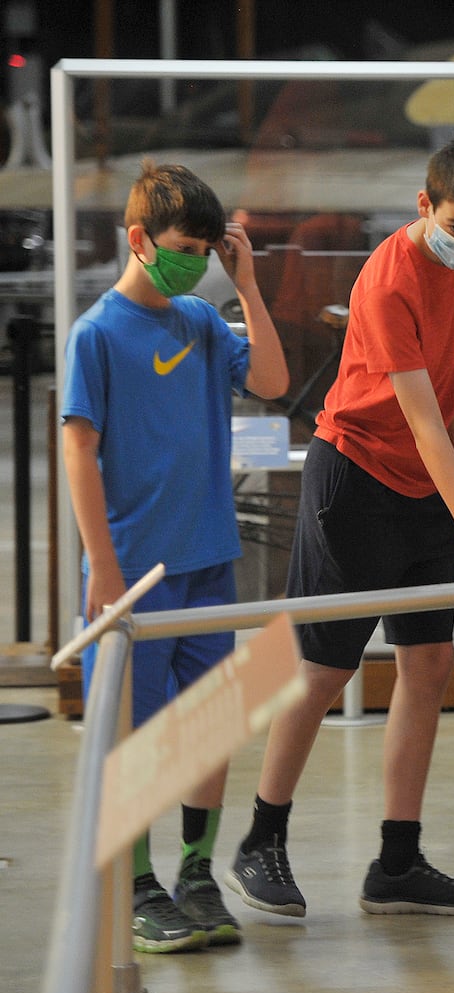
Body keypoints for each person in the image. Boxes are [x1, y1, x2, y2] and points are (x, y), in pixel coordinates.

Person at [224, 137, 454, 918]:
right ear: (425, 207)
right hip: (354, 475)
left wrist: (453, 512)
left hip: (428, 483)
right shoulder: (389, 276)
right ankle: (261, 839)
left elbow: (451, 396)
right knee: (324, 669)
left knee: (428, 664)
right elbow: (418, 418)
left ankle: (397, 862)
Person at [62, 161, 290, 952]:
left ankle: (196, 870)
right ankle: (135, 883)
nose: (196, 258)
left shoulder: (200, 318)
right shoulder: (95, 334)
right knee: (133, 736)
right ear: (139, 239)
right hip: (135, 573)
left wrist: (246, 287)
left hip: (208, 561)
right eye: (185, 246)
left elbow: (270, 379)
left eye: (205, 246)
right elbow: (79, 451)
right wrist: (103, 565)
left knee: (206, 728)